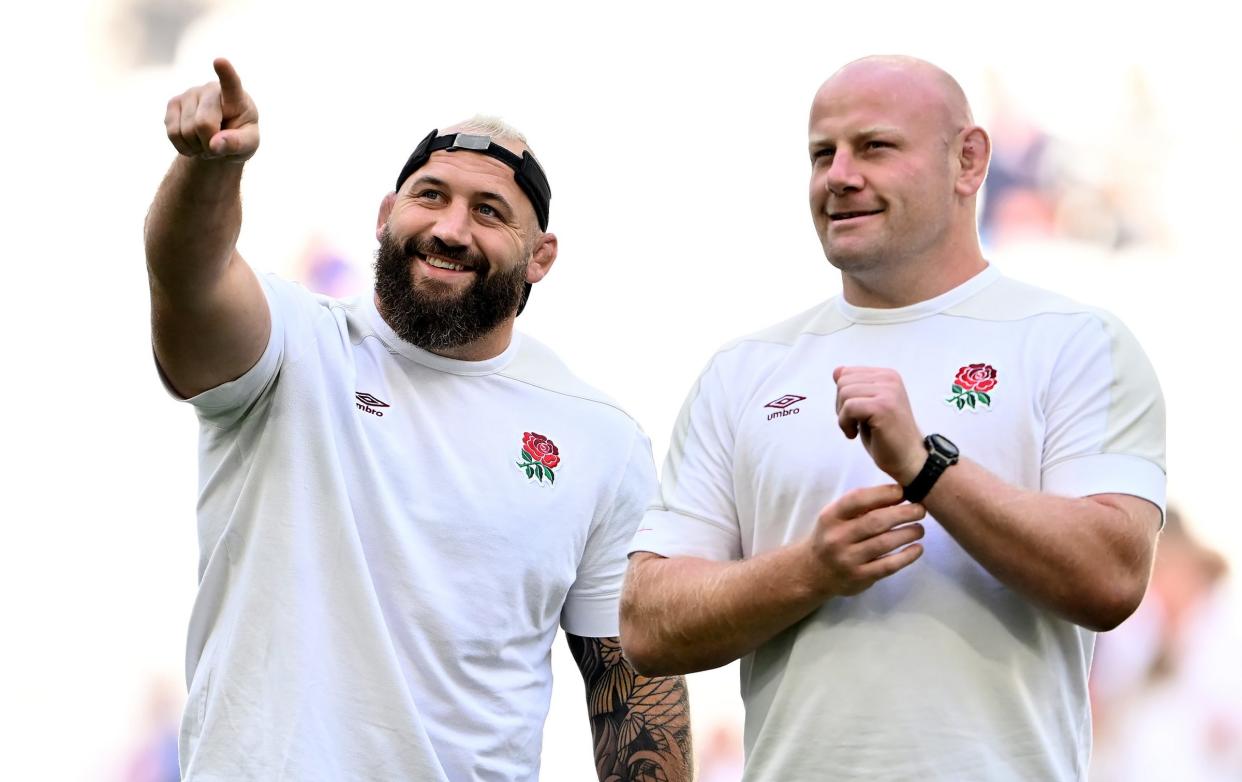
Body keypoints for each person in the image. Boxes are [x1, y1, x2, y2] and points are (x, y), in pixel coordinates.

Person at [619, 55, 1165, 781]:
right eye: (822, 154)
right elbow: (647, 622)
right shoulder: (746, 369)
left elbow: (1113, 577)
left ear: (968, 161)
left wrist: (927, 466)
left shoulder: (1075, 341)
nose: (839, 175)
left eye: (874, 146)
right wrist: (809, 570)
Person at [146, 58, 690, 781]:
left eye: (489, 211)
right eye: (429, 196)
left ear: (541, 257)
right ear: (384, 216)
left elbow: (632, 692)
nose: (451, 229)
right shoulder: (294, 348)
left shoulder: (600, 439)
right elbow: (191, 273)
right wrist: (207, 173)